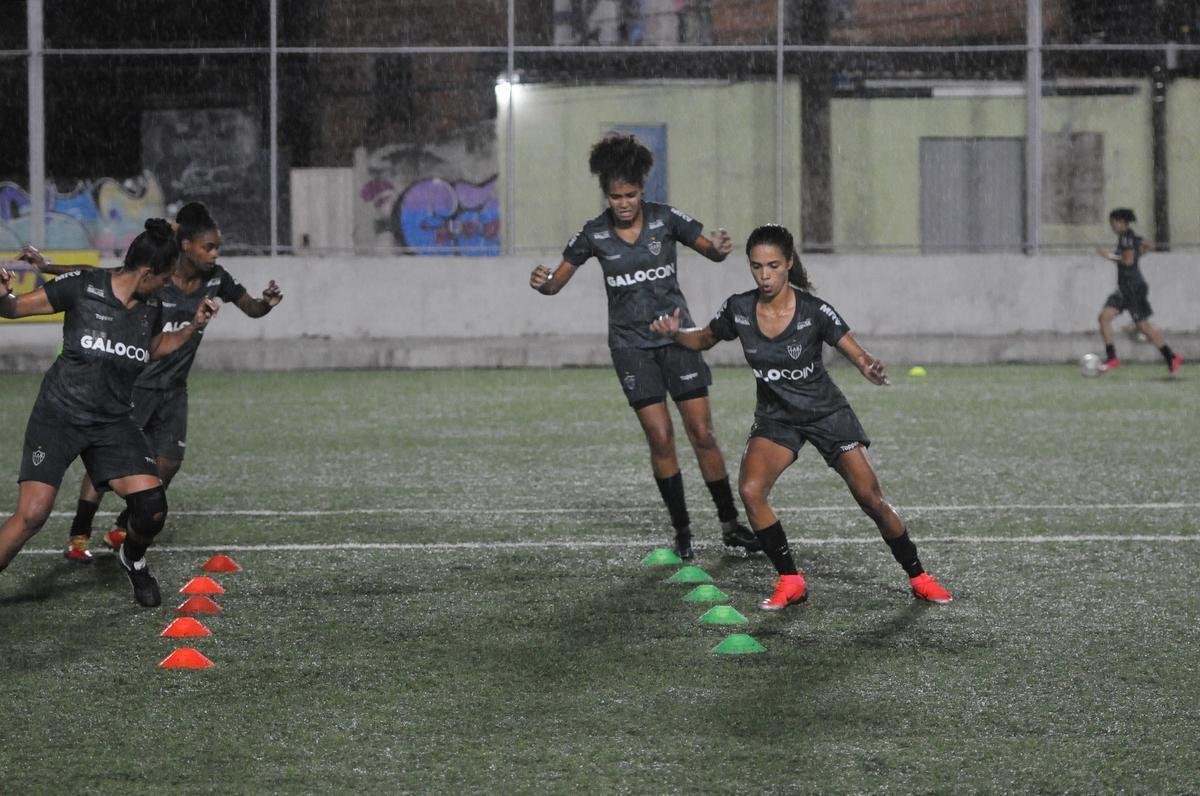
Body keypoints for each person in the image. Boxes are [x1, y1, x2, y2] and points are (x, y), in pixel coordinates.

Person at [650, 224, 953, 609]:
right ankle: (791, 581)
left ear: (789, 264)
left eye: (773, 265)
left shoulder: (813, 311)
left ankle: (919, 576)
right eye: (757, 266)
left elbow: (856, 353)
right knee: (751, 490)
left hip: (826, 413)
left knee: (870, 499)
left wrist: (868, 367)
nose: (764, 275)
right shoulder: (738, 309)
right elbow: (704, 339)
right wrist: (677, 333)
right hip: (777, 418)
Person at [529, 133, 757, 559]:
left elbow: (710, 250)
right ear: (607, 195)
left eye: (630, 194)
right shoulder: (593, 234)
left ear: (641, 191)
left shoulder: (664, 219)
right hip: (631, 347)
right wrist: (542, 284)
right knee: (660, 436)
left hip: (678, 338)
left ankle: (730, 524)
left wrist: (722, 249)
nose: (623, 203)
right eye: (616, 196)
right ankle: (683, 530)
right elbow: (556, 282)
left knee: (702, 433)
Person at [23, 203, 283, 562]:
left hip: (175, 387)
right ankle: (79, 535)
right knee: (104, 465)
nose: (214, 254)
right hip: (138, 383)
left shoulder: (216, 279)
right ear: (186, 245)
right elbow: (93, 275)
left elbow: (251, 307)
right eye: (209, 246)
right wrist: (48, 266)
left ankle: (122, 526)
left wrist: (266, 304)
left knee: (169, 461)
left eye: (217, 247)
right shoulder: (154, 280)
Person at [0, 219, 219, 606]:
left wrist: (192, 328)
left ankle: (132, 558)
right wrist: (2, 295)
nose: (169, 284)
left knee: (152, 508)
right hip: (59, 415)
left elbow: (153, 347)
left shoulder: (150, 307)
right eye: (165, 277)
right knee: (33, 514)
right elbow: (14, 309)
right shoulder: (82, 287)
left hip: (112, 423)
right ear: (149, 273)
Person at [1094, 208, 1182, 375]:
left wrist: (1108, 255)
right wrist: (1138, 253)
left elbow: (1127, 261)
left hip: (1134, 288)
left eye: (1113, 223)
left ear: (1121, 222)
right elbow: (1149, 244)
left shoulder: (1127, 237)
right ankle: (1112, 358)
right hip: (1125, 288)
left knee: (1144, 327)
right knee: (1104, 318)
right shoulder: (1129, 237)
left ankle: (1171, 357)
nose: (1112, 226)